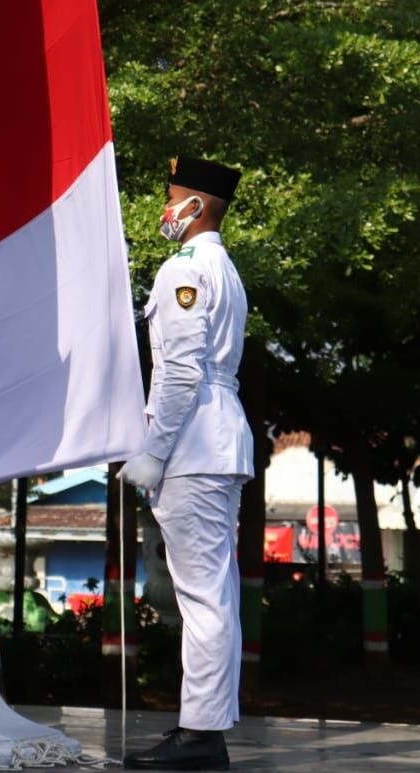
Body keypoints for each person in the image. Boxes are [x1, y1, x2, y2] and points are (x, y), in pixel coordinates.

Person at [119, 155, 253, 772]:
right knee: (214, 594)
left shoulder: (187, 268)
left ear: (197, 205)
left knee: (201, 597)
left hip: (194, 441)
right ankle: (206, 728)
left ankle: (200, 734)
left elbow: (178, 372)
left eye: (173, 196)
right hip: (218, 438)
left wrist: (153, 451)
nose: (165, 209)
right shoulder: (224, 269)